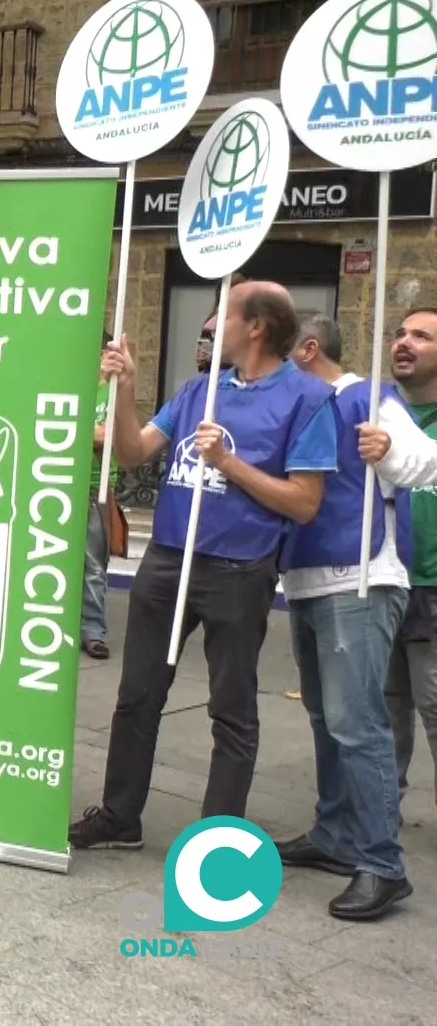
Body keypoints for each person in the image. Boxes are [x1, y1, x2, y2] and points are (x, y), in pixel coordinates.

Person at [72, 282, 335, 850]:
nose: (212, 322)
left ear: (256, 326)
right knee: (137, 693)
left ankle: (217, 837)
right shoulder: (198, 389)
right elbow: (134, 452)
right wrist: (128, 390)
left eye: (225, 312)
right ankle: (120, 816)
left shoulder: (307, 400)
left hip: (239, 566)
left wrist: (228, 463)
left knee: (232, 707)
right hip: (168, 556)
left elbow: (305, 501)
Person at [270, 313, 423, 921]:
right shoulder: (302, 406)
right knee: (325, 717)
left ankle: (383, 864)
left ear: (307, 352)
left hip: (360, 577)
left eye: (283, 356)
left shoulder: (367, 397)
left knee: (357, 722)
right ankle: (335, 834)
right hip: (309, 578)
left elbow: (426, 461)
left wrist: (387, 454)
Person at [384, 307, 437, 812]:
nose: (405, 342)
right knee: (386, 706)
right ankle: (380, 812)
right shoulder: (380, 413)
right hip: (384, 581)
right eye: (401, 333)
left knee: (434, 706)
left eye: (421, 336)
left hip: (433, 586)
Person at [83, 335, 114, 661]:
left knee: (94, 562)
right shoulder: (76, 386)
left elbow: (108, 434)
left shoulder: (114, 392)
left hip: (97, 484)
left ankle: (92, 629)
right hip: (70, 482)